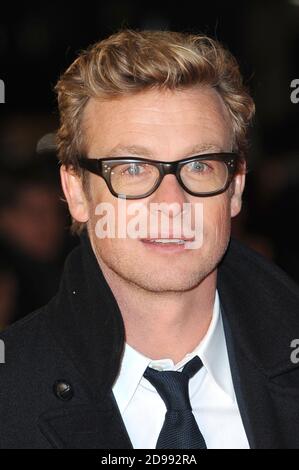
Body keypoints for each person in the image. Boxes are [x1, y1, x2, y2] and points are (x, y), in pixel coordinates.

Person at [1, 29, 299, 450]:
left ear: (235, 187)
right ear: (75, 192)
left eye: (199, 165)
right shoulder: (9, 396)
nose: (171, 203)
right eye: (133, 168)